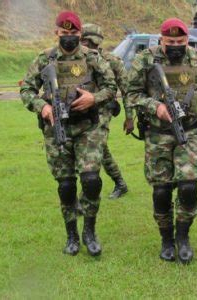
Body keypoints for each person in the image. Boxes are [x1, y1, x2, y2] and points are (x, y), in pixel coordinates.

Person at [125, 18, 197, 264]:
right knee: (162, 190)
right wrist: (155, 107)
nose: (175, 45)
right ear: (161, 39)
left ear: (187, 40)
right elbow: (132, 93)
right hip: (157, 133)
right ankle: (166, 238)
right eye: (170, 41)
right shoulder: (145, 60)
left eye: (180, 41)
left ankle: (183, 237)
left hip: (189, 132)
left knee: (188, 186)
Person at [20, 11, 117, 256]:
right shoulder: (45, 59)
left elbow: (111, 86)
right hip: (56, 129)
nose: (69, 38)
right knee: (65, 185)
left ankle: (90, 231)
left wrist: (94, 98)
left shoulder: (93, 58)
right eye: (65, 34)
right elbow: (27, 90)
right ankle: (72, 234)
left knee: (91, 181)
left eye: (74, 34)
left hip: (87, 127)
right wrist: (43, 107)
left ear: (80, 34)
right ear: (57, 34)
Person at [80, 23, 131, 199]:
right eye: (85, 42)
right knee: (99, 149)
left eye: (92, 43)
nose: (89, 46)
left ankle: (85, 194)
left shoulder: (112, 61)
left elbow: (127, 91)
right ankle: (120, 183)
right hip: (80, 113)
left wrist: (130, 118)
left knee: (93, 147)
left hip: (103, 112)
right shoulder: (77, 61)